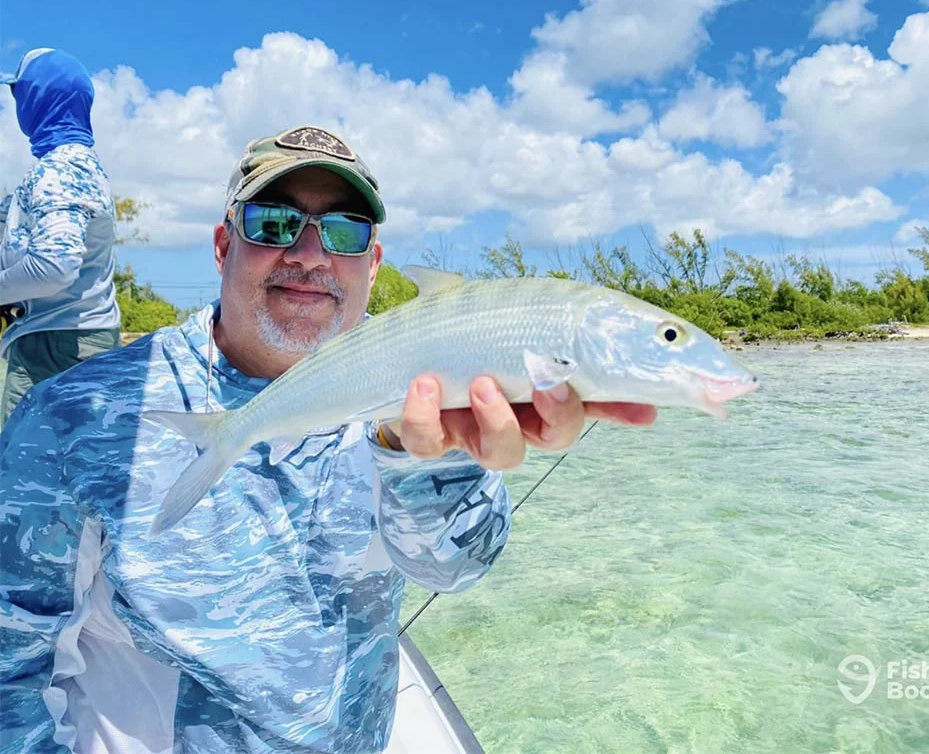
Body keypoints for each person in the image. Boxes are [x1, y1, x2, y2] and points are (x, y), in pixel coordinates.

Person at [0, 124, 655, 753]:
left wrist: (427, 458)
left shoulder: (427, 395)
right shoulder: (75, 418)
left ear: (370, 265)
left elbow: (452, 570)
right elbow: (11, 662)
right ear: (224, 245)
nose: (310, 254)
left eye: (344, 232)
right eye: (275, 222)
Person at [0, 47, 121, 426]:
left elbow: (54, 266)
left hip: (58, 347)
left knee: (21, 477)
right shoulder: (77, 165)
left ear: (36, 98)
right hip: (68, 339)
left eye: (17, 95)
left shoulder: (60, 171)